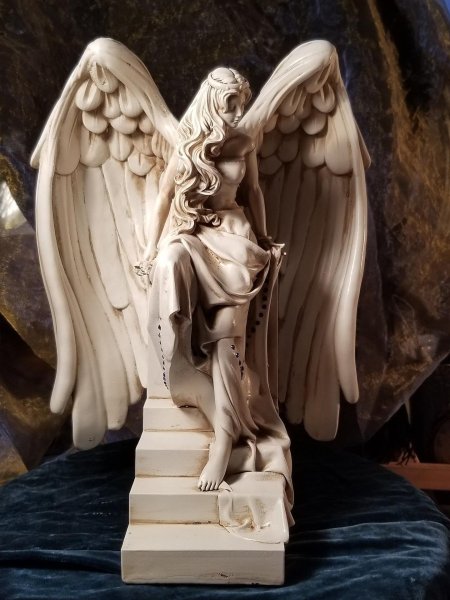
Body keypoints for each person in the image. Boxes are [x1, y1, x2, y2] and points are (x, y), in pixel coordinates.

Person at [140, 67, 290, 493]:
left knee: (227, 337)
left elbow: (253, 192)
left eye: (242, 103)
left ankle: (225, 438)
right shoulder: (188, 143)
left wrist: (264, 239)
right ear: (211, 102)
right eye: (230, 104)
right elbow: (165, 196)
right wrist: (151, 249)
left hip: (235, 237)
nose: (238, 112)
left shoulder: (244, 142)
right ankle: (181, 354)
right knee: (170, 260)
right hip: (196, 234)